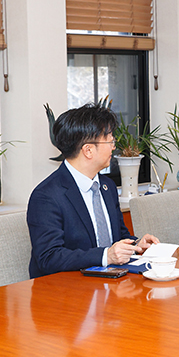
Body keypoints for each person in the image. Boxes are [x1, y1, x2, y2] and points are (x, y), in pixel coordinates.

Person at [27, 103, 159, 278]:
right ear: (88, 150)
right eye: (110, 140)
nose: (114, 146)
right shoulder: (46, 196)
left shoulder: (107, 186)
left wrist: (136, 244)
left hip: (109, 284)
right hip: (66, 291)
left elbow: (119, 235)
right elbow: (49, 258)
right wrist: (106, 256)